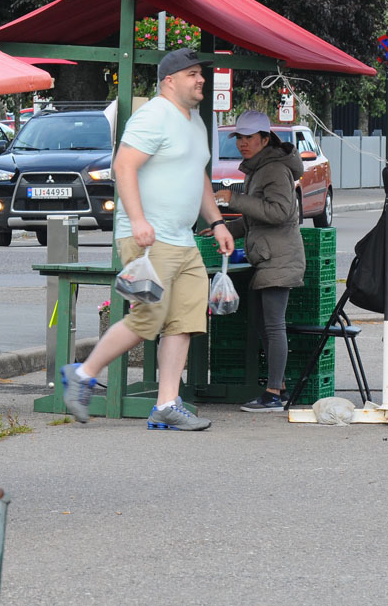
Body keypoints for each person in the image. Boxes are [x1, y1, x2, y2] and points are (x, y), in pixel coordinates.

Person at [60, 47, 233, 431]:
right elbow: (123, 165)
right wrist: (137, 220)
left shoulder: (196, 122)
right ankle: (83, 374)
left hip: (184, 240)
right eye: (191, 74)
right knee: (148, 317)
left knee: (185, 321)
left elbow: (197, 176)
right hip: (150, 238)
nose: (200, 79)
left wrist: (217, 222)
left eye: (201, 73)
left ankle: (166, 404)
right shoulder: (153, 115)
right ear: (169, 81)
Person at [214, 110, 306, 412]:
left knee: (273, 326)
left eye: (249, 138)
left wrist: (233, 199)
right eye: (239, 138)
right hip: (268, 256)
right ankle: (275, 389)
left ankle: (273, 393)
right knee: (265, 326)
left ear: (265, 140)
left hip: (279, 258)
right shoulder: (258, 169)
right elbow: (256, 218)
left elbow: (279, 214)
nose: (242, 143)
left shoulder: (275, 170)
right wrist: (225, 228)